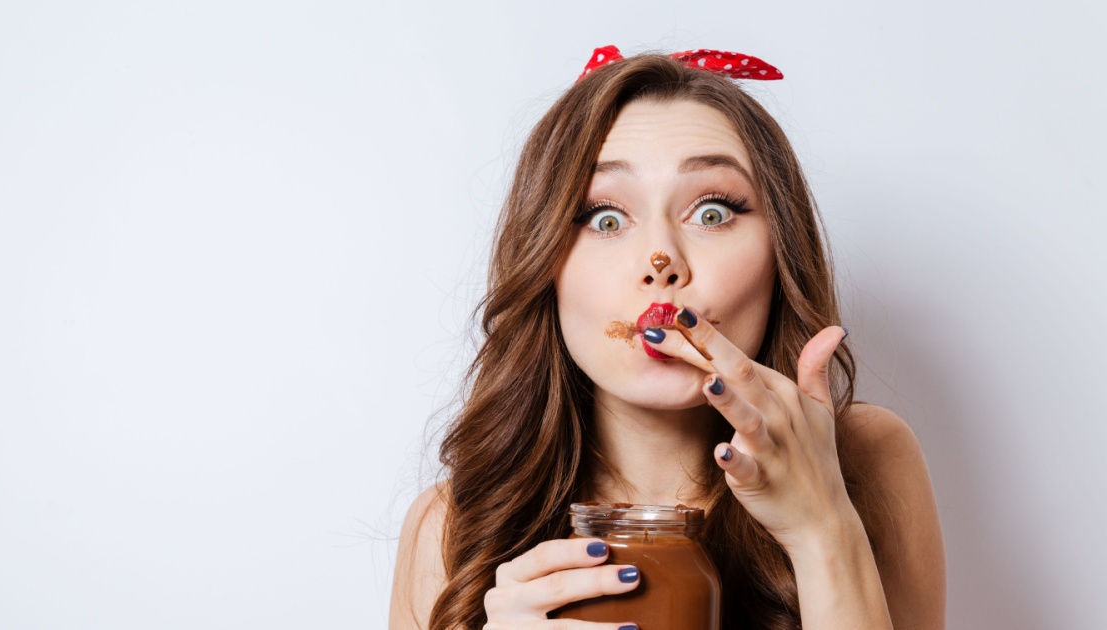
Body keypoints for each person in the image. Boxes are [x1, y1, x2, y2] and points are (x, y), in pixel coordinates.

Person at [389, 46, 946, 629]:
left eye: (711, 213)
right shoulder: (451, 526)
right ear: (543, 267)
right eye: (605, 217)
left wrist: (822, 526)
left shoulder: (865, 458)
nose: (661, 263)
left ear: (781, 253)